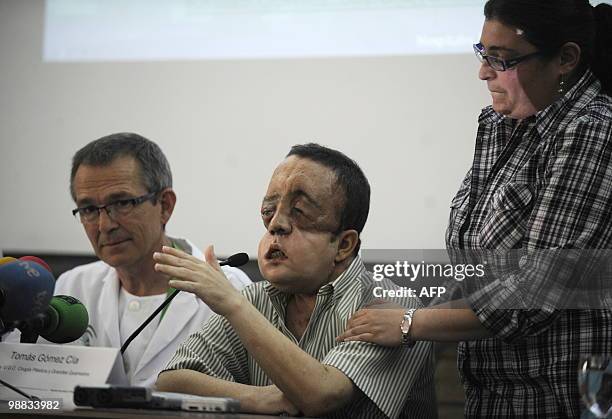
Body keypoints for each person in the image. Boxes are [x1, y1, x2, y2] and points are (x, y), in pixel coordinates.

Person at [337, 1, 612, 417]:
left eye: (502, 60)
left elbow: (535, 292)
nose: (484, 73)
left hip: (558, 395)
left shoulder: (591, 129)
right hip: (491, 391)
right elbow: (479, 269)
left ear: (565, 59)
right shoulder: (501, 124)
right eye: (483, 54)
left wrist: (411, 323)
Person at [154, 144, 436, 418]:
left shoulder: (393, 309)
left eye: (299, 212)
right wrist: (262, 398)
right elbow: (171, 381)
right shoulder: (255, 298)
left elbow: (321, 395)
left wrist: (232, 304)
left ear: (343, 245)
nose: (277, 224)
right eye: (269, 210)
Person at [57, 133, 251, 386]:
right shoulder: (72, 288)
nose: (105, 225)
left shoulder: (230, 290)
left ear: (165, 205)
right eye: (89, 210)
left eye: (122, 203)